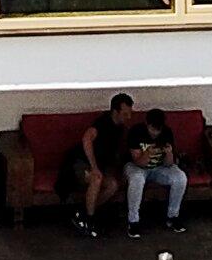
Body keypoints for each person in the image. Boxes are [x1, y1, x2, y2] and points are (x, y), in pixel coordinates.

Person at [76, 93, 183, 238]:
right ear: (116, 112)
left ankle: (83, 214)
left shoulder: (121, 128)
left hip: (154, 168)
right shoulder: (104, 123)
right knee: (98, 179)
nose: (129, 117)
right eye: (125, 114)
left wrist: (169, 154)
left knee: (113, 185)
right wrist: (94, 167)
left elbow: (169, 164)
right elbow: (87, 138)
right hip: (82, 162)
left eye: (130, 113)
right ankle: (96, 220)